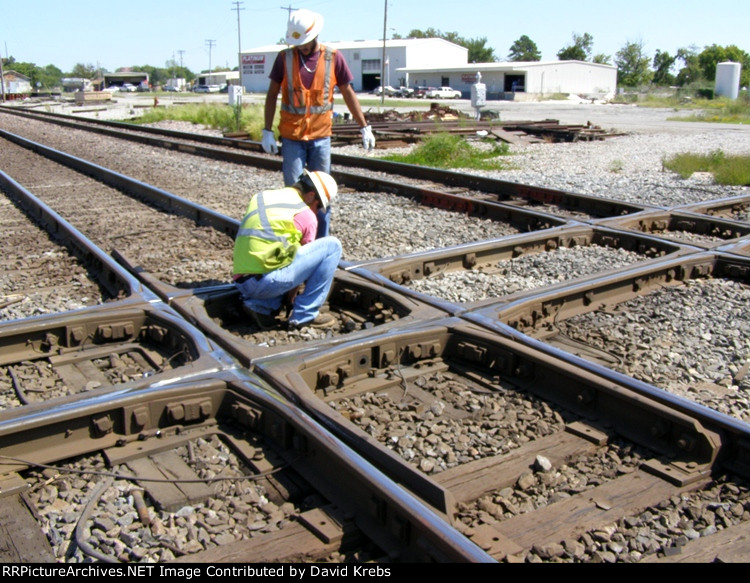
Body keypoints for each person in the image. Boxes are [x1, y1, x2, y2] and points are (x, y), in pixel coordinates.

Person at [261, 8, 375, 238]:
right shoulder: (285, 58)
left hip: (321, 137)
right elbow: (272, 94)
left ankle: (320, 244)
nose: (301, 48)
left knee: (322, 195)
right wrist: (267, 130)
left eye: (305, 42)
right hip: (292, 137)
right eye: (298, 43)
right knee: (293, 195)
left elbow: (348, 92)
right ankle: (295, 244)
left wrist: (364, 126)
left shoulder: (334, 58)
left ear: (315, 36)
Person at [233, 169, 342, 331]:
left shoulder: (262, 196)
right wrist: (291, 301)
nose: (317, 211)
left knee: (276, 259)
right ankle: (306, 315)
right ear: (311, 196)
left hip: (242, 282)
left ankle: (259, 306)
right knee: (333, 246)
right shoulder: (306, 215)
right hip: (265, 284)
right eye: (318, 206)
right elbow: (301, 268)